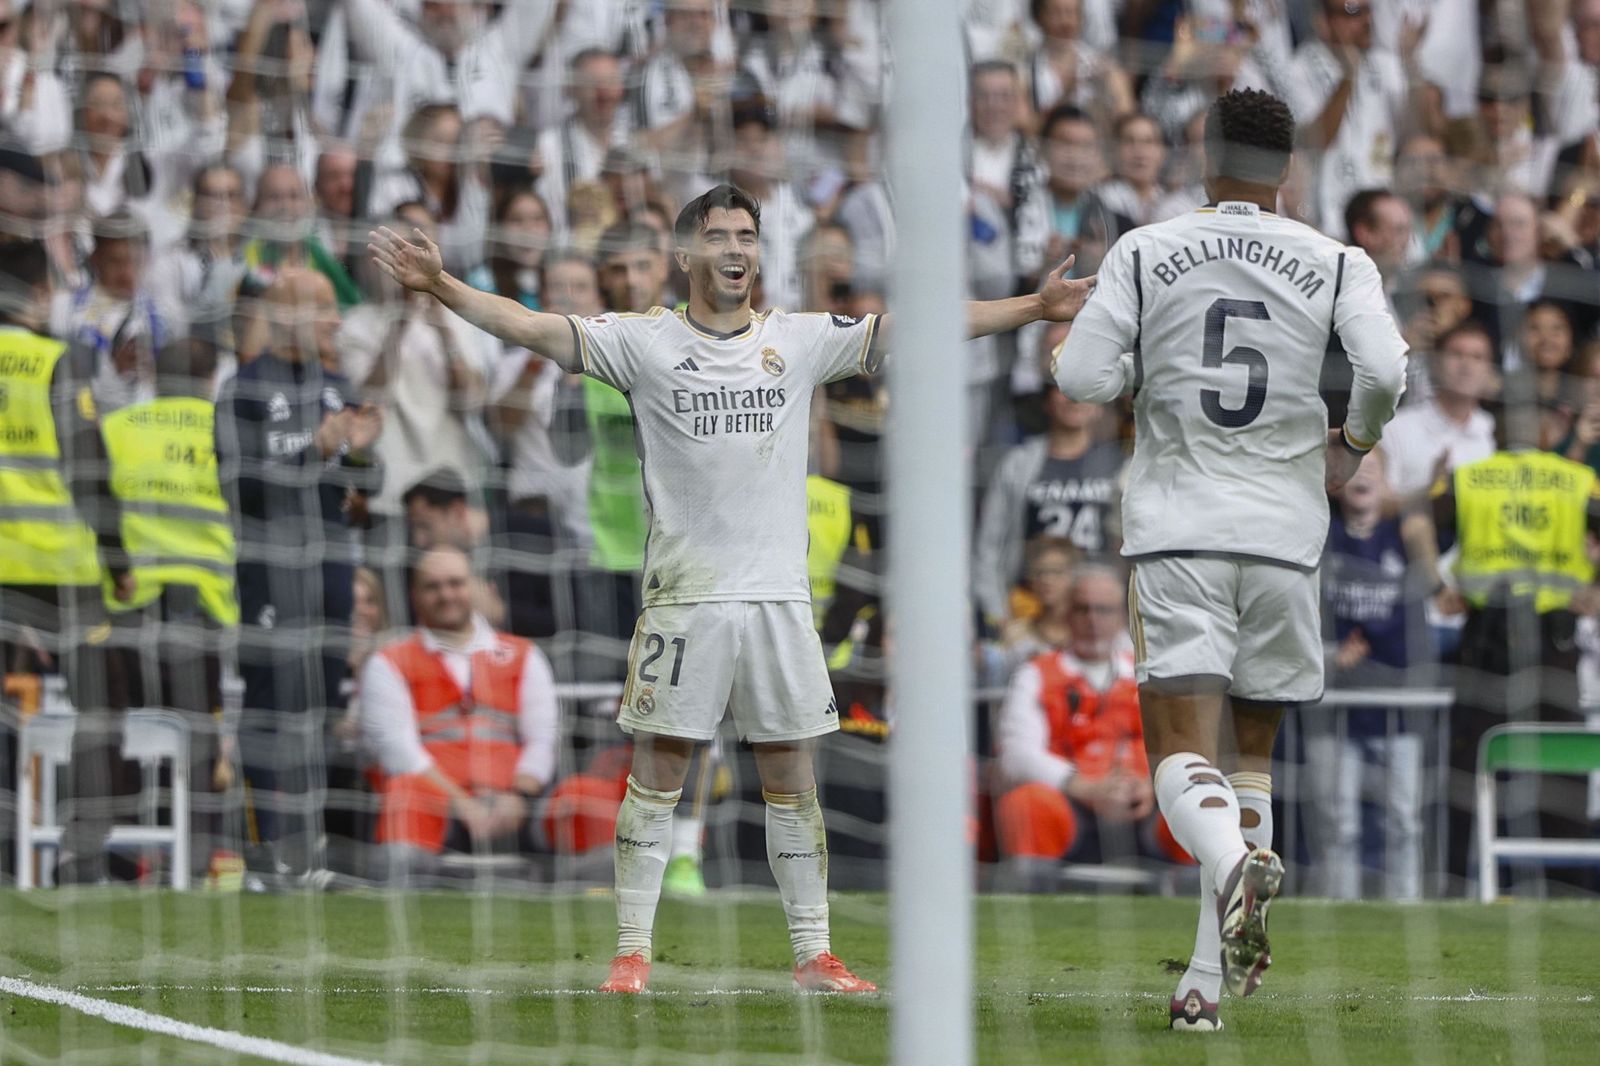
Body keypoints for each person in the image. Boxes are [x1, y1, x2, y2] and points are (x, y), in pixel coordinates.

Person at [370, 181, 1094, 994]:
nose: (736, 250)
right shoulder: (643, 343)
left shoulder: (797, 339)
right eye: (718, 236)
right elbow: (532, 328)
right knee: (659, 772)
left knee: (791, 780)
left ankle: (815, 955)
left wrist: (1035, 305)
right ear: (686, 254)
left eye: (747, 236)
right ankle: (632, 952)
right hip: (686, 597)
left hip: (780, 604)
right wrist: (440, 286)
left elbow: (917, 328)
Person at [1054, 89, 1407, 1030]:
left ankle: (1230, 867)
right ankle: (1203, 992)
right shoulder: (1338, 260)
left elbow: (1081, 377)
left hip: (1178, 527)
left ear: (1201, 157)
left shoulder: (1145, 247)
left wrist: (1143, 370)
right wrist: (1356, 445)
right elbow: (1386, 371)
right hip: (1285, 536)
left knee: (1178, 749)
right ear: (1289, 171)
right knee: (1250, 762)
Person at [217, 267, 383, 883]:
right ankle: (263, 853)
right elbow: (238, 485)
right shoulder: (244, 388)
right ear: (285, 314)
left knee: (320, 703)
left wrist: (362, 451)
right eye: (323, 309)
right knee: (270, 703)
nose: (337, 321)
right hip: (267, 570)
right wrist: (314, 448)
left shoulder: (338, 385)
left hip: (332, 565)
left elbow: (366, 486)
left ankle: (306, 846)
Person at [0, 238, 132, 884]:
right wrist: (119, 559)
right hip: (60, 566)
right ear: (41, 294)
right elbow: (89, 468)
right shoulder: (56, 358)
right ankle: (85, 854)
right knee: (98, 707)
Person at [1429, 402, 1600, 895]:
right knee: (1559, 773)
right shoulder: (1576, 479)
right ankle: (1569, 892)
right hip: (1551, 639)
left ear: (1496, 431)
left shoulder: (1471, 478)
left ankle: (1456, 890)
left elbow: (1421, 520)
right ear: (1549, 430)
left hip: (1488, 639)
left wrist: (1432, 583)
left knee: (1469, 771)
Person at [96, 335, 239, 882]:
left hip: (128, 605)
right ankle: (198, 859)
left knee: (116, 730)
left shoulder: (118, 427)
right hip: (200, 607)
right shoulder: (222, 432)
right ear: (211, 381)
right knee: (200, 737)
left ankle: (120, 855)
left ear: (155, 378)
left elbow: (95, 507)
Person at [359, 547, 559, 881]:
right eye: (433, 586)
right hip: (435, 805)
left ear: (475, 587)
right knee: (405, 791)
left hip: (515, 804)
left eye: (456, 583)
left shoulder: (524, 654)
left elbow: (543, 740)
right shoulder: (389, 660)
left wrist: (519, 797)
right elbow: (399, 753)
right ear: (415, 595)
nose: (446, 595)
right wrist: (464, 806)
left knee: (585, 796)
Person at [993, 565, 1190, 883]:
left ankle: (1202, 914)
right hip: (1072, 804)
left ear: (1121, 616)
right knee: (1026, 804)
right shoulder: (1035, 674)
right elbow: (1016, 755)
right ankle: (1032, 905)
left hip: (1145, 805)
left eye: (1104, 610)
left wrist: (1154, 786)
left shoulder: (1151, 675)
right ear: (1066, 615)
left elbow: (1183, 743)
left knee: (1195, 801)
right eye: (1082, 609)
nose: (1093, 621)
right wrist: (1084, 787)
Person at [1313, 448, 1426, 901]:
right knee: (1337, 821)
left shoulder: (1407, 539)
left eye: (1372, 468)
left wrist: (1374, 649)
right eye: (1353, 466)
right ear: (1335, 480)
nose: (1362, 475)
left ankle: (1407, 910)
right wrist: (1330, 654)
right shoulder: (1319, 539)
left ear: (1387, 483)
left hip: (1395, 707)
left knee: (1403, 818)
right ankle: (1341, 912)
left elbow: (1416, 619)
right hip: (1333, 706)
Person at [976, 320, 1122, 633]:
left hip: (1103, 614)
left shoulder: (1120, 464)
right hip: (1030, 615)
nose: (1073, 399)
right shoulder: (1016, 464)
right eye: (1063, 389)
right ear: (1046, 399)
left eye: (1084, 389)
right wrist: (998, 617)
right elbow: (989, 547)